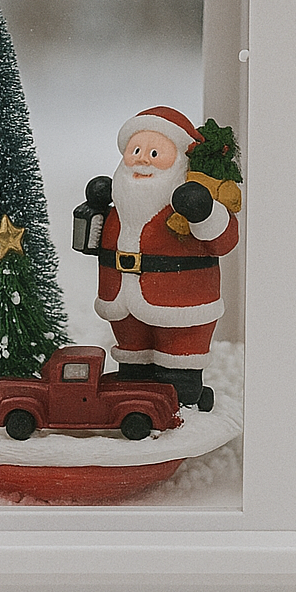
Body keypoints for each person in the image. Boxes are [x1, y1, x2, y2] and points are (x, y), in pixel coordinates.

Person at [76, 106, 239, 409]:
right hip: (123, 304)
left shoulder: (190, 200)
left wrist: (203, 210)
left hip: (182, 306)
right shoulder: (121, 199)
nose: (140, 158)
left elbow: (224, 240)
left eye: (154, 153)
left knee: (179, 377)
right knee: (133, 370)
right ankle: (134, 396)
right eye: (135, 150)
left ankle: (183, 389)